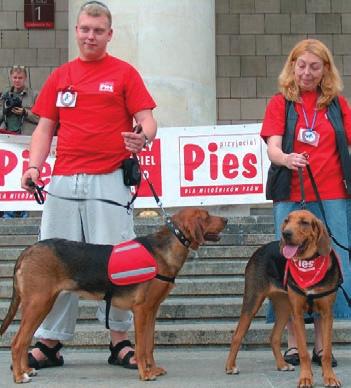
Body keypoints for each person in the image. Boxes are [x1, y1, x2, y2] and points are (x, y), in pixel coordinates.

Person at [21, 0, 157, 370]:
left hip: (109, 179)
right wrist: (34, 166)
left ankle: (119, 340)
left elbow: (146, 120)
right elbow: (45, 128)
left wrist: (142, 138)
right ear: (77, 31)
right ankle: (50, 342)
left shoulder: (125, 73)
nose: (90, 36)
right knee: (55, 261)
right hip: (64, 179)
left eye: (98, 30)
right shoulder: (61, 75)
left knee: (119, 260)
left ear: (109, 34)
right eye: (85, 29)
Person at [261, 39, 351, 367]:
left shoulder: (338, 105)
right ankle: (293, 344)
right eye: (302, 65)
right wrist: (285, 158)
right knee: (290, 265)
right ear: (292, 66)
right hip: (292, 193)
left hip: (332, 195)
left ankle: (322, 347)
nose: (307, 73)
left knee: (334, 261)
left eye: (315, 66)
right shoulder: (280, 103)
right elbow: (272, 147)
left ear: (326, 69)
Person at [0, 65, 39, 219]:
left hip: (26, 143)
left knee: (26, 178)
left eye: (20, 77)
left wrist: (25, 112)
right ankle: (7, 213)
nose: (17, 80)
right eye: (15, 77)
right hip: (7, 144)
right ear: (11, 77)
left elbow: (42, 118)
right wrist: (5, 110)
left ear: (25, 78)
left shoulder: (34, 95)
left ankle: (24, 213)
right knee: (8, 179)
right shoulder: (4, 95)